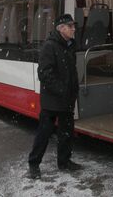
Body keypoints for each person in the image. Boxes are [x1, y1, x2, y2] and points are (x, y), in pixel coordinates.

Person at [28, 14, 82, 179]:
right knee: (44, 133)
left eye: (74, 26)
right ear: (61, 28)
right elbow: (44, 73)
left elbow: (71, 72)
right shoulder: (49, 46)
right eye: (70, 26)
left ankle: (64, 161)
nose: (74, 29)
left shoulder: (69, 45)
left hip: (66, 99)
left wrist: (72, 90)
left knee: (66, 132)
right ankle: (34, 164)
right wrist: (61, 89)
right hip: (52, 100)